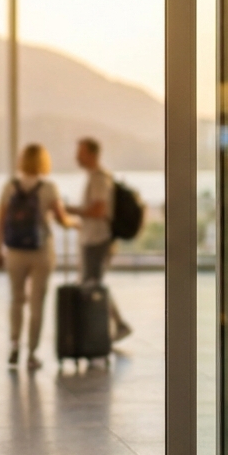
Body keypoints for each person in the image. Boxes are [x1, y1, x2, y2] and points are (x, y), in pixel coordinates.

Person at [0, 144, 74, 371]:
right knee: (37, 303)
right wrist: (74, 222)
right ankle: (32, 354)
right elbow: (62, 220)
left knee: (17, 300)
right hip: (41, 252)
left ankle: (14, 346)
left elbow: (0, 220)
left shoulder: (10, 187)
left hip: (15, 252)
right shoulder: (48, 187)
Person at [71, 137, 132, 341]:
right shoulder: (96, 177)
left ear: (92, 154)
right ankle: (112, 325)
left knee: (92, 285)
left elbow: (99, 210)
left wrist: (72, 210)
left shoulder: (98, 178)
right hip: (94, 238)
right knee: (92, 283)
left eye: (81, 152)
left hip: (97, 240)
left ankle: (113, 326)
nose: (77, 156)